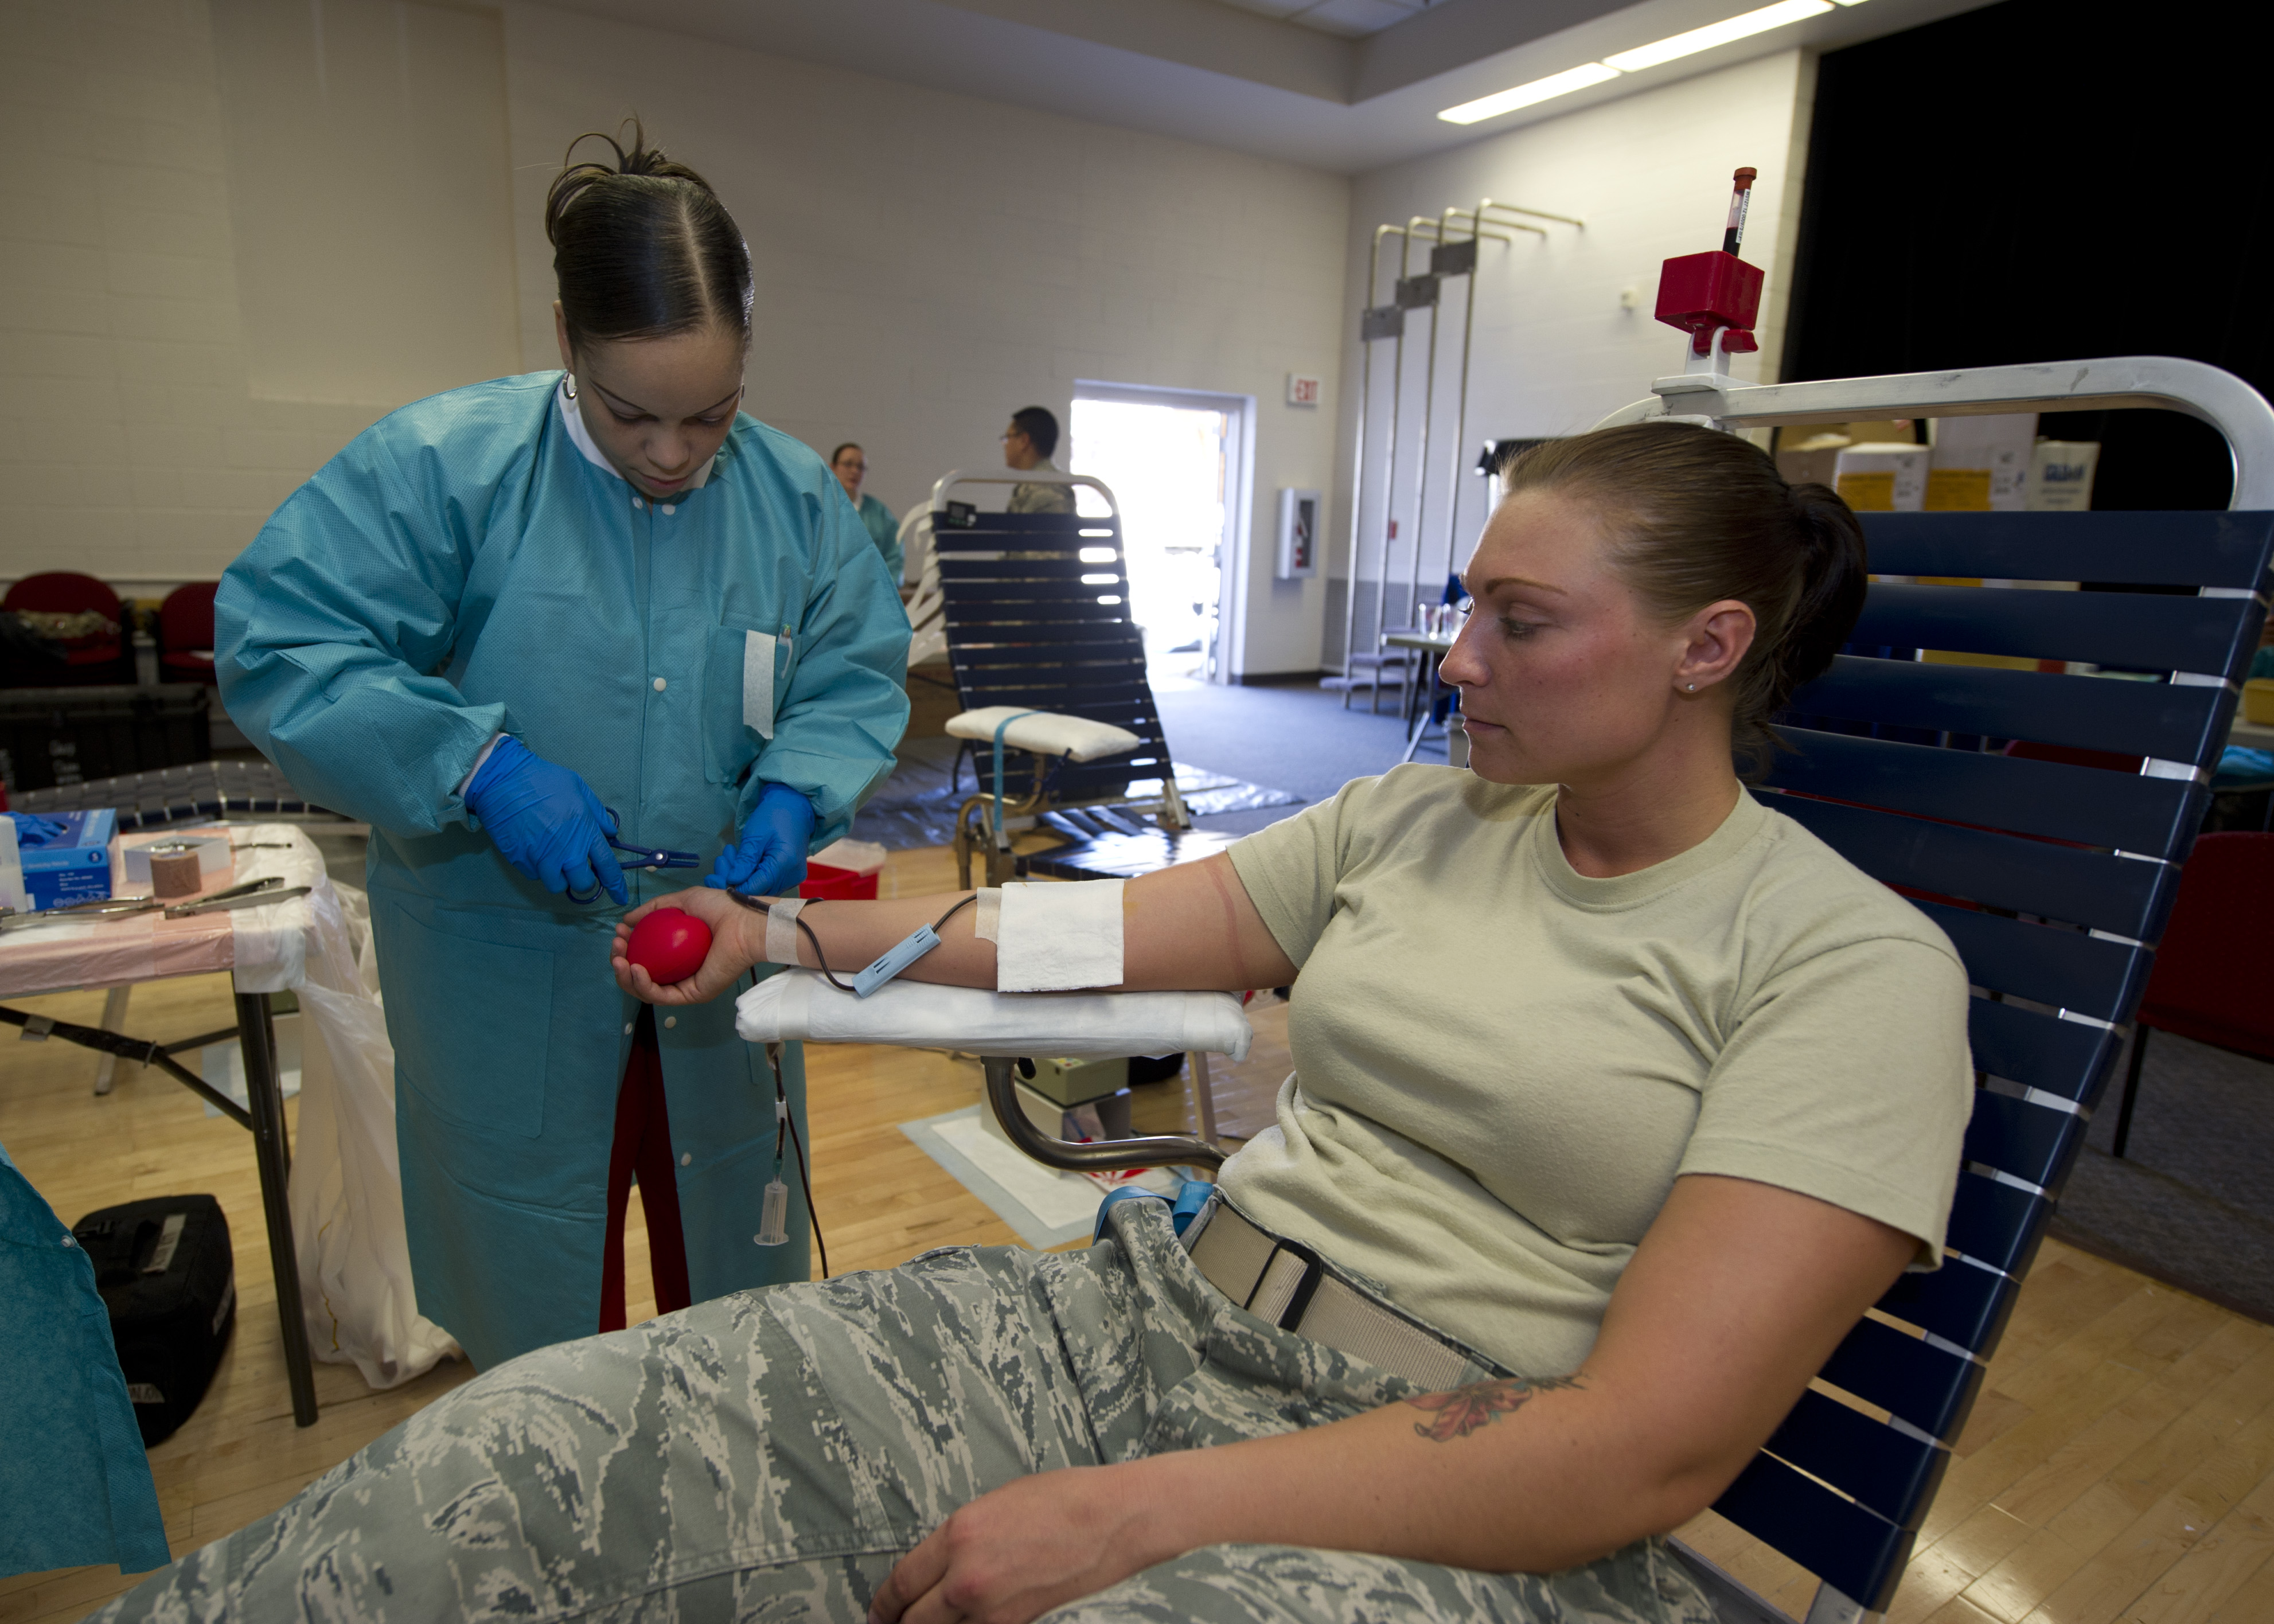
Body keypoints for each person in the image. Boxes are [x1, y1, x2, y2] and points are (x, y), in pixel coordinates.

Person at [104, 424, 1971, 1624]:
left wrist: (1133, 1516)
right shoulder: (1407, 822)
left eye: (1519, 618)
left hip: (1457, 1469)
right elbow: (1078, 947)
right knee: (511, 1454)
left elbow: (1638, 1455)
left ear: (1705, 647)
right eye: (1460, 602)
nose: (1452, 654)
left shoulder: (1842, 971)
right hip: (1139, 1311)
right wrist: (789, 940)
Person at [210, 126, 910, 1375]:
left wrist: (802, 784)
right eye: (630, 411)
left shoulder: (794, 498)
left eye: (713, 414)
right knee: (537, 1320)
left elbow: (852, 664)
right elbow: (278, 638)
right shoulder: (447, 472)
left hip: (725, 956)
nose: (672, 451)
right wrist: (475, 767)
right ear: (562, 338)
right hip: (502, 974)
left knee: (729, 1303)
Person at [832, 441, 905, 584]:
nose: (855, 471)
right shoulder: (820, 510)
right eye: (848, 464)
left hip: (871, 597)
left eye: (861, 467)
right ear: (832, 468)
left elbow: (894, 560)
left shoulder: (880, 514)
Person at [1004, 403, 1077, 514]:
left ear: (1024, 441)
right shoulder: (1033, 484)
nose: (1005, 444)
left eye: (1008, 437)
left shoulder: (1048, 488)